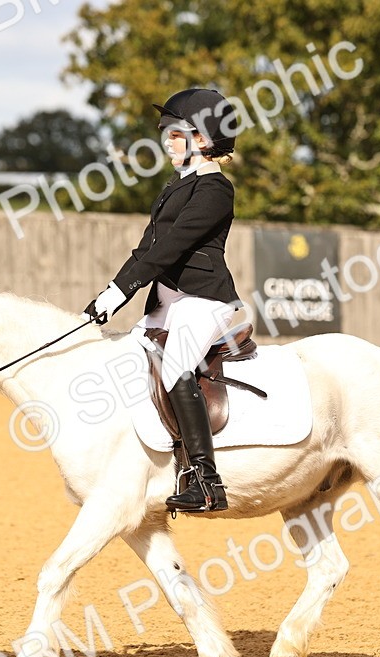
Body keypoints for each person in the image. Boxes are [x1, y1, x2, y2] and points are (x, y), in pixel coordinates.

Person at [84, 88, 242, 513]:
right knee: (123, 359)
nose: (167, 141)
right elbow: (144, 250)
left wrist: (122, 290)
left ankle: (206, 480)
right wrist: (109, 294)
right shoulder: (175, 187)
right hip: (167, 302)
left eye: (175, 134)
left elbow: (168, 249)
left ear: (203, 139)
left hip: (203, 300)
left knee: (174, 364)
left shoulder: (214, 189)